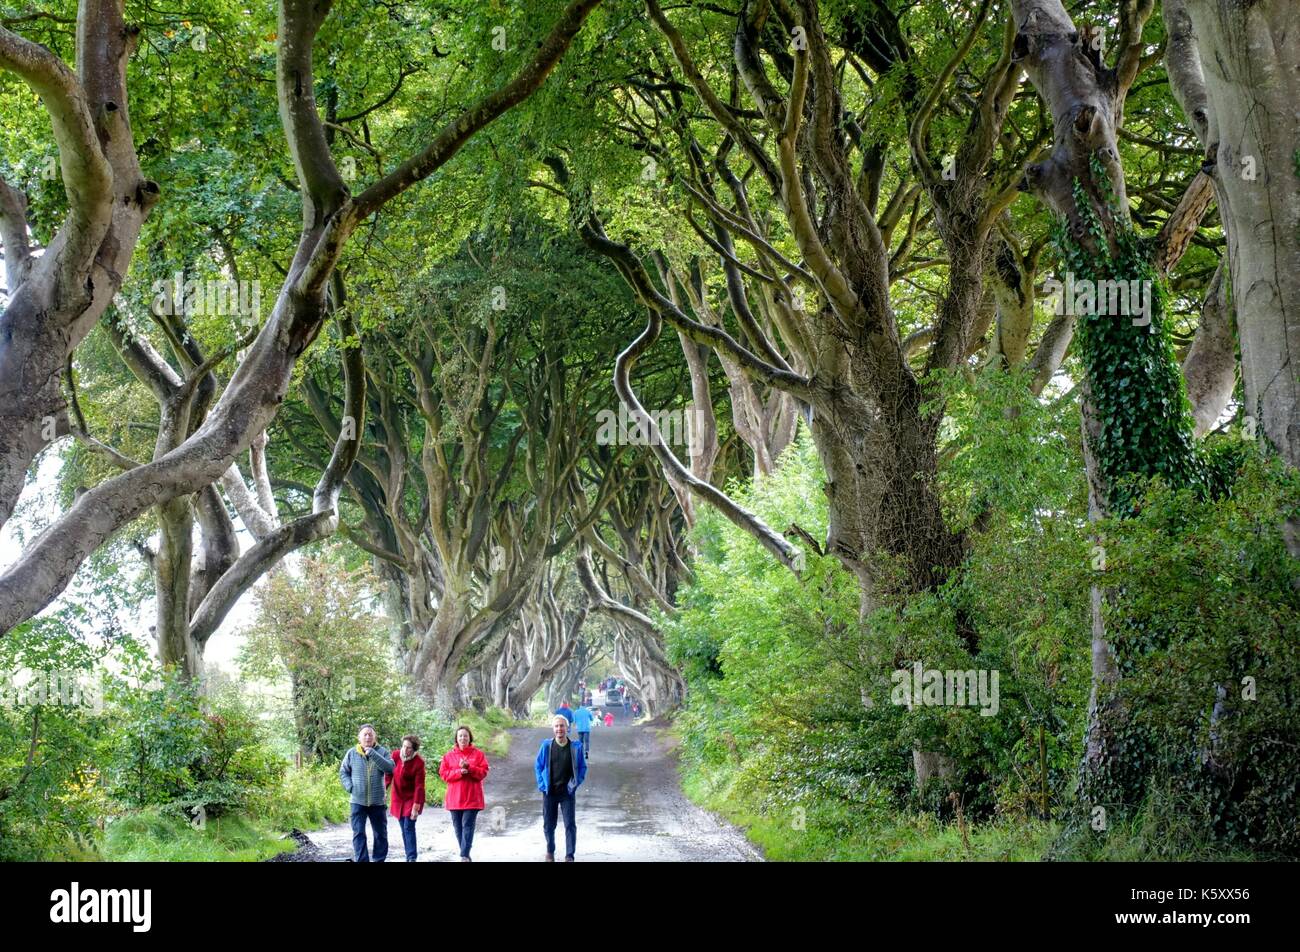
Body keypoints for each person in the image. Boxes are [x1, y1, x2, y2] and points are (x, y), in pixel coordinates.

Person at [339, 724, 395, 862]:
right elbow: (343, 772)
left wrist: (373, 753)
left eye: (370, 734)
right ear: (359, 738)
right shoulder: (352, 753)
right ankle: (362, 860)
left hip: (377, 802)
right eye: (365, 734)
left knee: (380, 834)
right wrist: (350, 787)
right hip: (357, 801)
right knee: (358, 833)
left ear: (375, 737)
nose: (368, 736)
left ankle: (379, 859)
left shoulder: (382, 752)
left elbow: (390, 768)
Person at [534, 714, 586, 861]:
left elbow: (582, 768)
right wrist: (542, 785)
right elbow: (538, 766)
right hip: (549, 792)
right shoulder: (546, 746)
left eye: (562, 726)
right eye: (556, 726)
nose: (559, 729)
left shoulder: (576, 747)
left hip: (567, 793)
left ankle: (570, 855)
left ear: (567, 728)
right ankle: (550, 850)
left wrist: (575, 784)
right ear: (553, 729)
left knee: (570, 824)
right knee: (548, 824)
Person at [439, 725, 490, 861]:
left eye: (465, 735)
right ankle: (465, 852)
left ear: (470, 738)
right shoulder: (448, 756)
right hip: (455, 798)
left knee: (467, 825)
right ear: (456, 738)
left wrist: (470, 768)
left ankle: (464, 855)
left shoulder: (478, 754)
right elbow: (443, 774)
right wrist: (459, 772)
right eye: (460, 735)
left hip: (472, 798)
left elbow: (483, 772)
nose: (463, 738)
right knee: (458, 828)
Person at [385, 734, 425, 862]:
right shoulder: (396, 755)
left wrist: (416, 805)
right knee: (403, 827)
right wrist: (384, 789)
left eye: (409, 748)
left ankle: (411, 857)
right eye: (404, 746)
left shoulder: (419, 762)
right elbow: (389, 773)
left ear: (414, 749)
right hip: (398, 797)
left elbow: (419, 786)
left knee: (409, 826)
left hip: (412, 798)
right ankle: (409, 854)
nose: (405, 750)